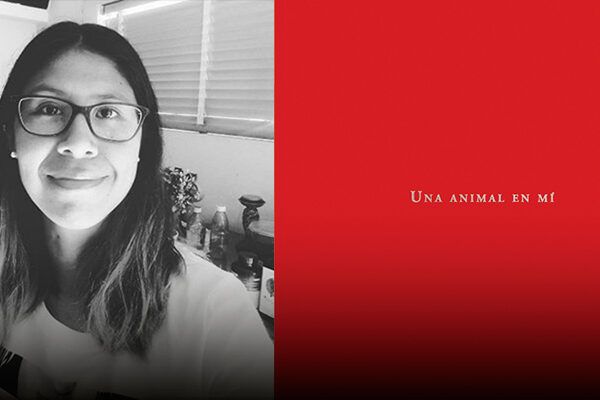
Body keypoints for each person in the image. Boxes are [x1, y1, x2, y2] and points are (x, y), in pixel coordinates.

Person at [0, 21, 273, 399]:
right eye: (49, 108)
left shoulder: (215, 314)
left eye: (108, 112)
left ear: (143, 142)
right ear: (10, 134)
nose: (78, 143)